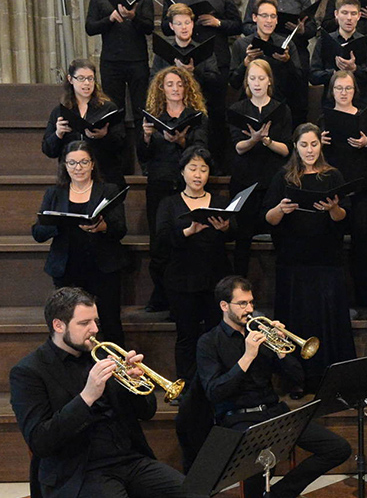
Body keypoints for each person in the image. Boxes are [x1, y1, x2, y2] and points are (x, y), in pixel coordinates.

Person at [9, 287, 200, 498]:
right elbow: (40, 441)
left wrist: (136, 384)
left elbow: (146, 413)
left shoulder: (102, 355)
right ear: (58, 325)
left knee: (195, 493)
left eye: (95, 322)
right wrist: (87, 397)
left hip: (130, 461)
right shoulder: (29, 372)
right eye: (84, 323)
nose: (94, 330)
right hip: (80, 472)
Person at [196, 276, 351, 498]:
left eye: (251, 302)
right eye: (242, 304)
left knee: (337, 448)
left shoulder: (260, 334)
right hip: (239, 419)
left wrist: (280, 348)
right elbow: (214, 391)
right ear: (224, 306)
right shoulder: (209, 342)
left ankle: (279, 494)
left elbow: (297, 376)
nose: (249, 309)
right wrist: (247, 357)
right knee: (258, 461)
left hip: (274, 413)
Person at [263, 123, 357, 387]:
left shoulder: (333, 175)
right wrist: (281, 209)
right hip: (293, 262)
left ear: (321, 145)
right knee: (296, 321)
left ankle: (329, 380)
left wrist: (333, 208)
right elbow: (268, 219)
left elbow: (344, 218)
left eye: (314, 144)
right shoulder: (283, 176)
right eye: (304, 145)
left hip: (327, 261)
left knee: (328, 322)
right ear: (296, 146)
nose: (309, 150)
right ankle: (297, 379)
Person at [32, 141, 128, 345]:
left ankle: (116, 374)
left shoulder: (108, 190)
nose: (78, 168)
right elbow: (38, 233)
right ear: (65, 166)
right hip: (67, 270)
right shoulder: (54, 193)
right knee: (69, 326)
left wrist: (103, 228)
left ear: (93, 164)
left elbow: (120, 229)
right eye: (72, 163)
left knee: (110, 324)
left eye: (84, 162)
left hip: (103, 269)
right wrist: (58, 223)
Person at [156, 146, 231, 382]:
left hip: (215, 279)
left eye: (203, 169)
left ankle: (214, 382)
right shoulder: (169, 203)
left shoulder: (219, 201)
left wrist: (226, 229)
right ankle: (186, 385)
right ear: (182, 172)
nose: (198, 175)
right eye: (193, 168)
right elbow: (161, 238)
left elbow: (235, 234)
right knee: (186, 335)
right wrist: (188, 231)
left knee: (215, 334)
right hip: (181, 279)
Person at [162, 0, 242, 172]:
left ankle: (216, 167)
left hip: (214, 63)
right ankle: (184, 166)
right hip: (180, 62)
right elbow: (165, 27)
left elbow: (238, 25)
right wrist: (182, 22)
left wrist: (218, 23)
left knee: (216, 116)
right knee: (185, 116)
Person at [139, 66, 208, 313]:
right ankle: (161, 295)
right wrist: (146, 138)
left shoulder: (195, 115)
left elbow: (202, 149)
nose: (175, 89)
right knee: (160, 241)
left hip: (185, 184)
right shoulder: (153, 116)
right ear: (162, 88)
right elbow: (143, 157)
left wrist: (181, 141)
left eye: (179, 84)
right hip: (159, 182)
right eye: (170, 84)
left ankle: (186, 295)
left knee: (187, 239)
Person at [319, 70, 367, 308]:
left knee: (364, 243)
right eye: (339, 88)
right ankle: (335, 300)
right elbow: (311, 154)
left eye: (348, 88)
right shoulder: (325, 118)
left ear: (354, 91)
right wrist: (320, 143)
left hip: (363, 187)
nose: (344, 93)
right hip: (334, 188)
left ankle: (365, 299)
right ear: (332, 91)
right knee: (330, 242)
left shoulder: (366, 116)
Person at [228, 59, 292, 277]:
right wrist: (254, 139)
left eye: (261, 78)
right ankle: (239, 290)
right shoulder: (238, 109)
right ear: (247, 81)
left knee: (282, 239)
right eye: (252, 78)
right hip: (245, 180)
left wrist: (267, 141)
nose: (257, 83)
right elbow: (238, 147)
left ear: (269, 81)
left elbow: (286, 150)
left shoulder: (280, 109)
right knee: (242, 239)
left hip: (273, 180)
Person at [85, 0, 154, 153]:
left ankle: (144, 157)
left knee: (142, 109)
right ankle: (118, 161)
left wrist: (133, 17)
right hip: (111, 62)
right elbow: (90, 28)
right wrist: (110, 19)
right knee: (114, 111)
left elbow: (149, 27)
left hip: (137, 61)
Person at [242, 0, 318, 124]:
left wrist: (302, 29)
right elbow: (246, 25)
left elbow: (313, 29)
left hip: (295, 55)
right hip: (265, 54)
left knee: (298, 103)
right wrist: (266, 27)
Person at [43, 58, 127, 188]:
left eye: (90, 78)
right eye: (81, 78)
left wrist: (104, 136)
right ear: (71, 80)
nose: (87, 83)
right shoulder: (61, 111)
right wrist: (58, 134)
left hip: (104, 176)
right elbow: (48, 150)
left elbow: (121, 144)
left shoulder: (108, 108)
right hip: (72, 180)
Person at [230, 0, 306, 129]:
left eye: (273, 16)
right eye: (264, 16)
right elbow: (234, 83)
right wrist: (246, 62)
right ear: (255, 18)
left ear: (277, 20)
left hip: (280, 107)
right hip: (249, 107)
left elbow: (299, 81)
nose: (269, 21)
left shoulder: (286, 44)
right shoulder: (241, 44)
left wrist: (287, 61)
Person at [310, 0, 367, 110]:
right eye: (344, 13)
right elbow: (313, 76)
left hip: (361, 102)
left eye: (353, 14)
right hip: (331, 103)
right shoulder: (323, 41)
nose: (349, 18)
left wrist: (355, 69)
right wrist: (334, 73)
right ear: (336, 14)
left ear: (359, 16)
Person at [151, 3, 221, 93]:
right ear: (172, 26)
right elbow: (153, 80)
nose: (184, 27)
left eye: (187, 23)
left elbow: (215, 82)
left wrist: (194, 72)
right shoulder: (163, 51)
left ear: (192, 24)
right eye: (179, 24)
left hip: (199, 101)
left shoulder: (205, 50)